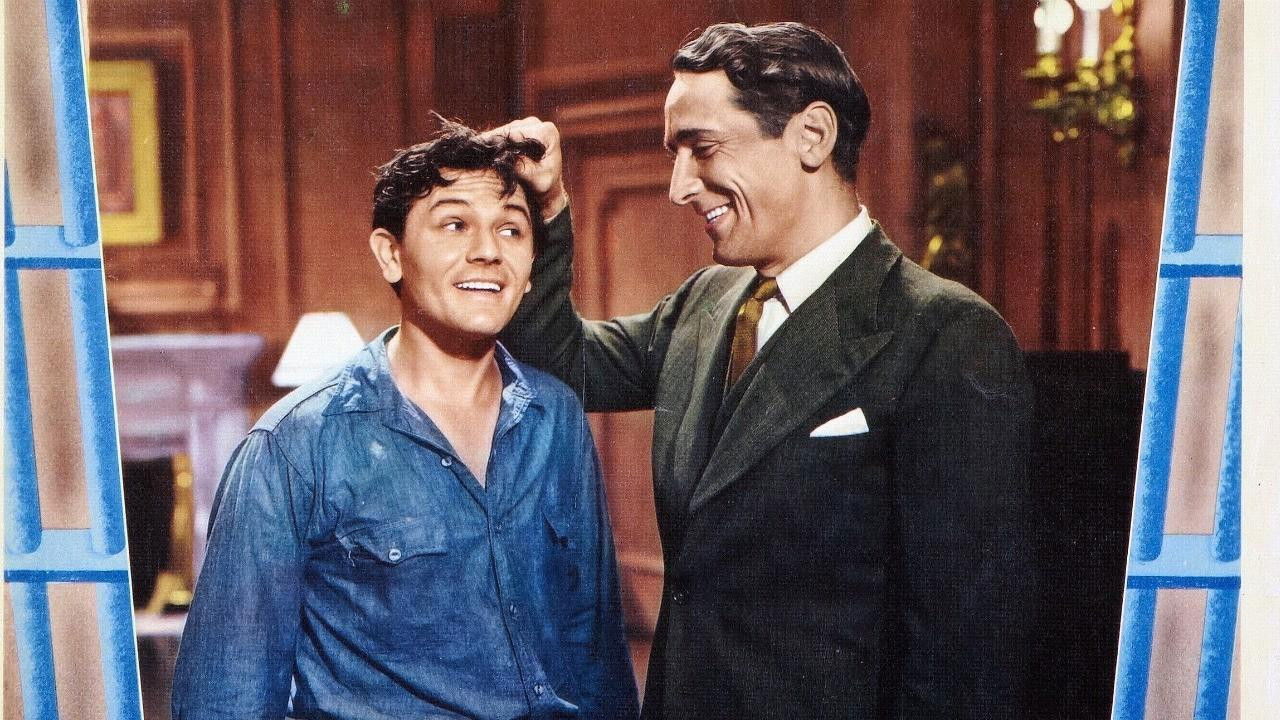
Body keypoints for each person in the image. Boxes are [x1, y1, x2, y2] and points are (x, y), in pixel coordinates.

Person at [496, 21, 1035, 720]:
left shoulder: (945, 334)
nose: (679, 186)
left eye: (702, 149)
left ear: (812, 136)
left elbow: (964, 654)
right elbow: (561, 364)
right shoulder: (706, 302)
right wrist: (547, 209)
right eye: (674, 154)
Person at [171, 122, 639, 720]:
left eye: (511, 229)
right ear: (391, 254)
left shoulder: (557, 418)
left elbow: (598, 658)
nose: (488, 251)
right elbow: (224, 698)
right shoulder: (294, 444)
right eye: (455, 225)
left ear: (530, 268)